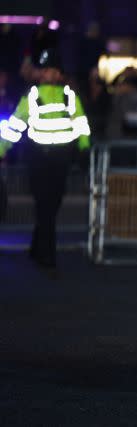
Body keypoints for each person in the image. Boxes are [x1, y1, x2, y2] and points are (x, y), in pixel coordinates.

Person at [0, 49, 90, 277]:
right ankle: (47, 256)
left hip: (60, 159)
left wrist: (84, 148)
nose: (49, 74)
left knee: (53, 203)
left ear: (59, 73)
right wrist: (1, 149)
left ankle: (36, 247)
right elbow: (16, 124)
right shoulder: (31, 96)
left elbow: (80, 122)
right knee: (45, 205)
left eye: (53, 70)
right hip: (39, 158)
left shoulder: (69, 95)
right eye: (46, 70)